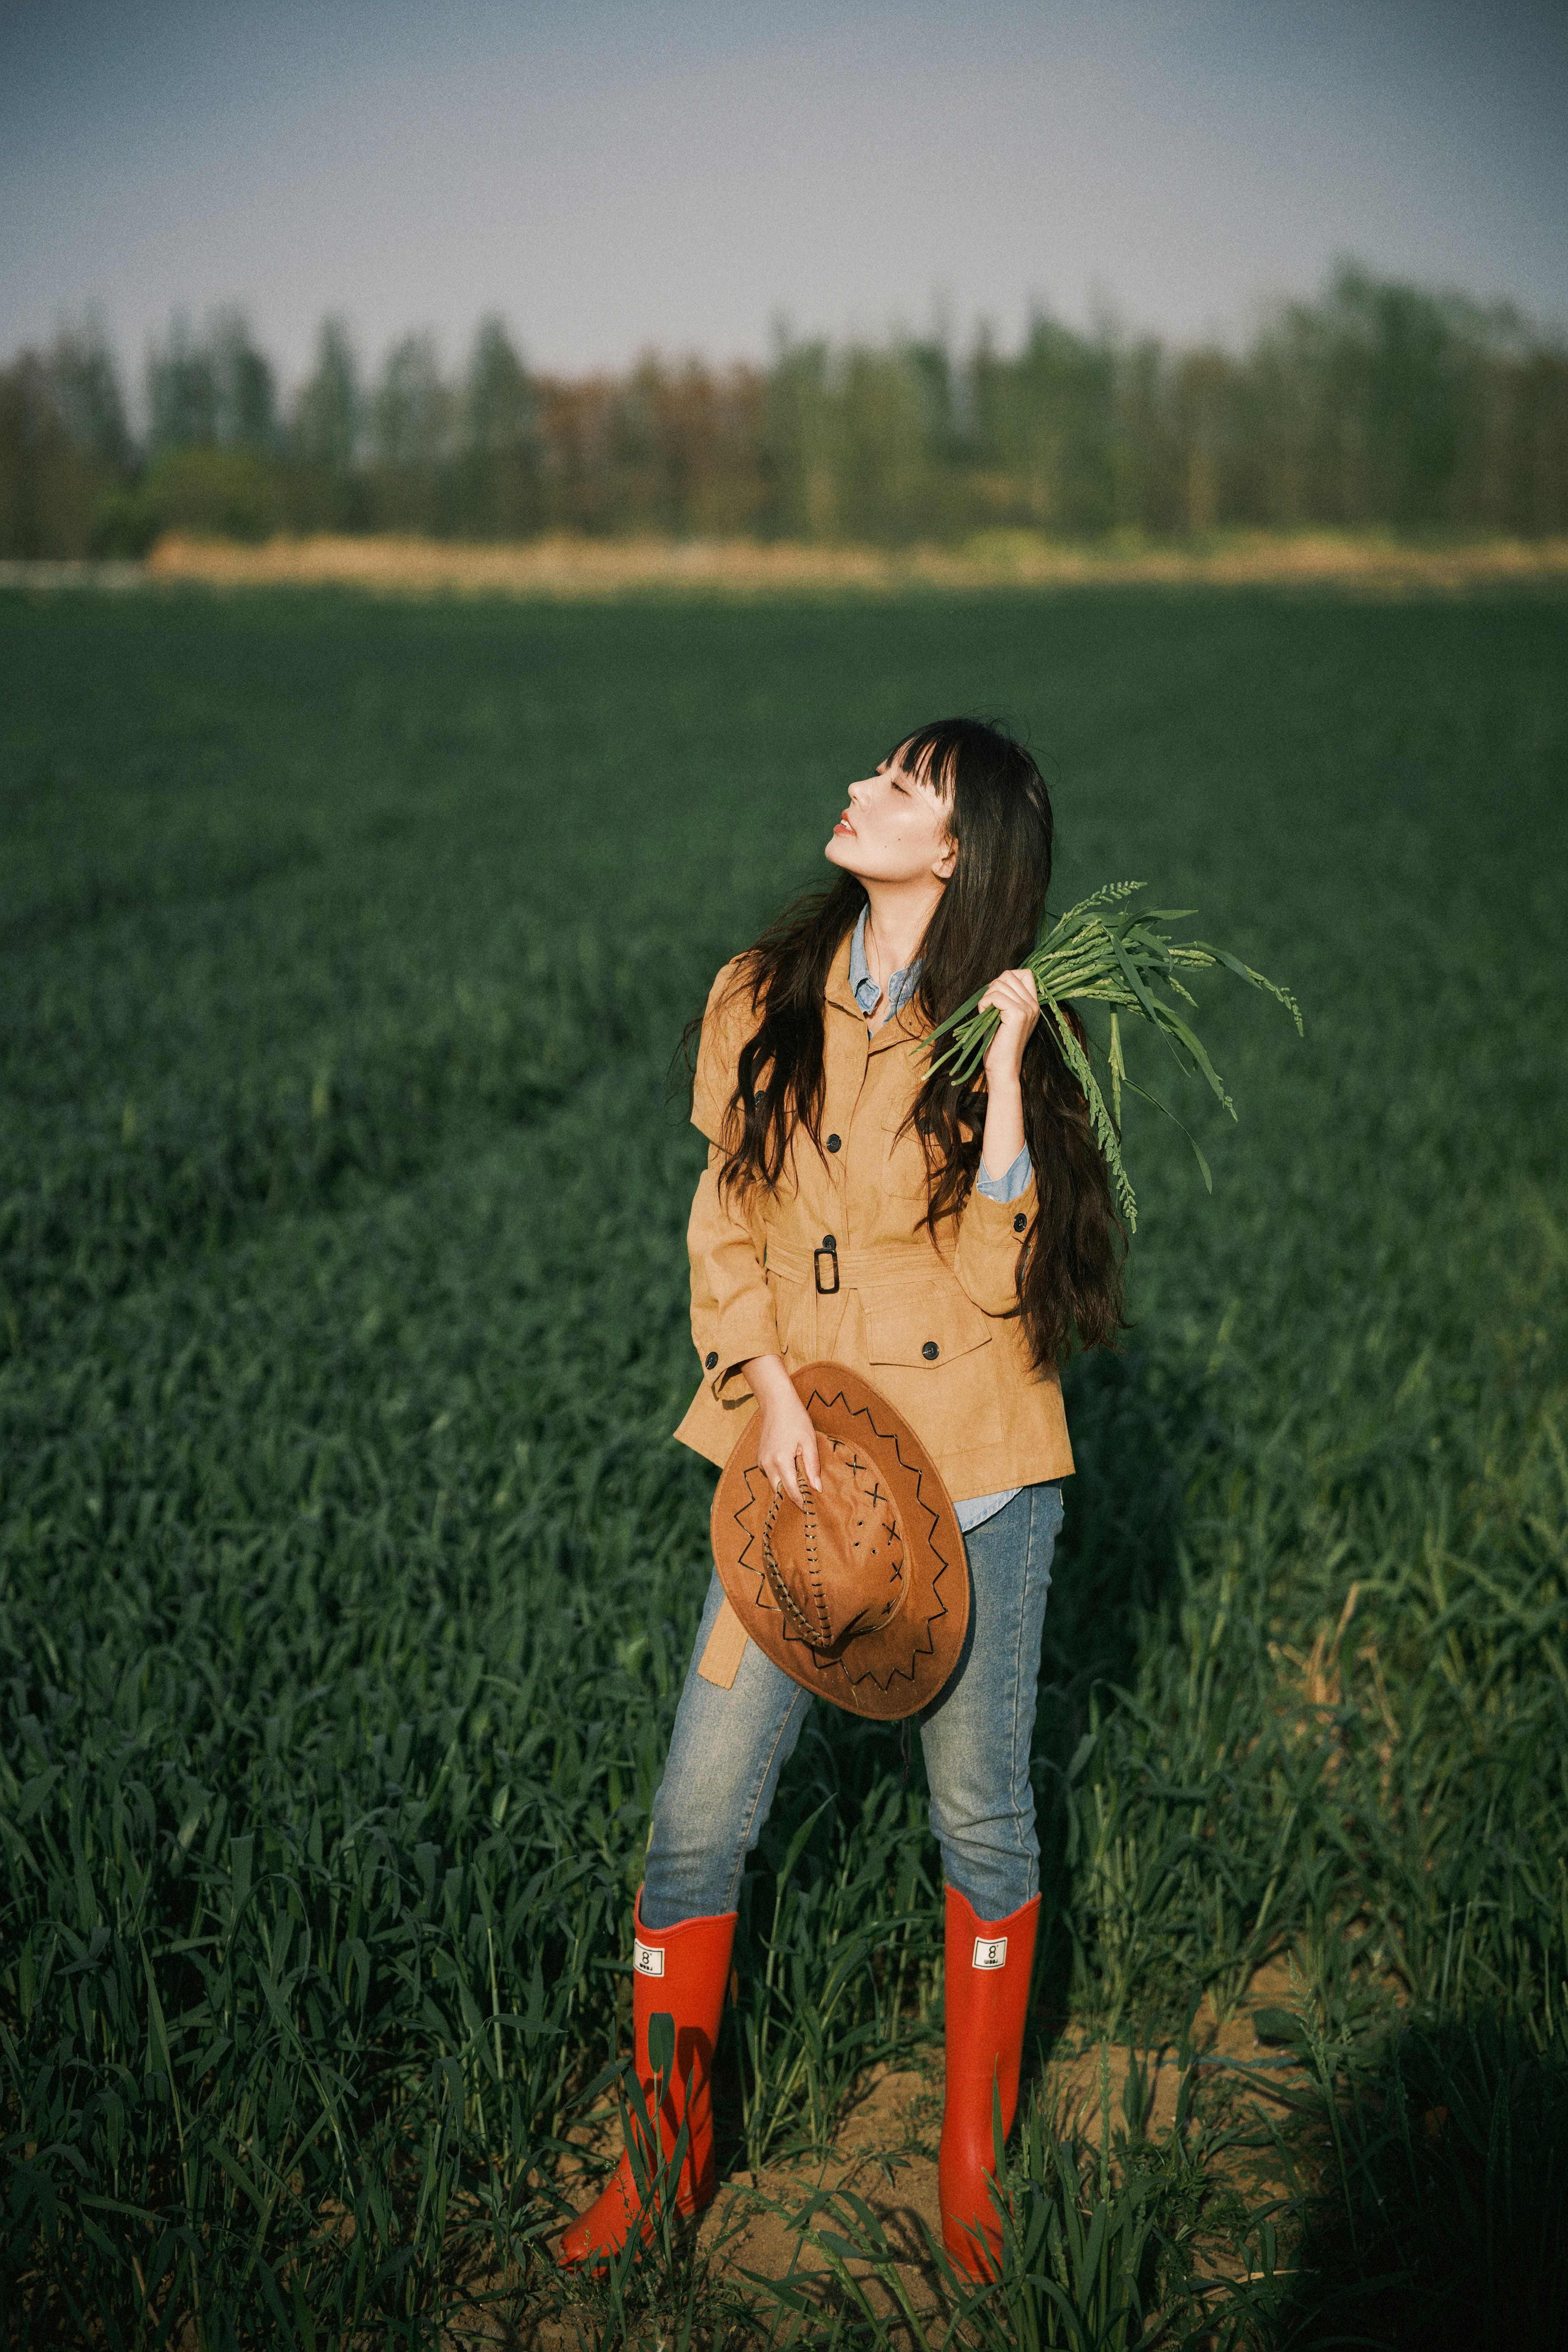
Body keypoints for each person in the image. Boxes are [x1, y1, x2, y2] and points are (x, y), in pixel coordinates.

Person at [559, 717, 1123, 2277]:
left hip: (978, 1480)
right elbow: (723, 1228)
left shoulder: (1011, 1037)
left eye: (902, 788)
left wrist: (1006, 1070)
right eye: (875, 772)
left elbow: (1011, 1289)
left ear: (956, 854)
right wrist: (770, 1392)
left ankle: (968, 2165)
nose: (861, 790)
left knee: (980, 1819)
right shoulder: (761, 994)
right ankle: (663, 2163)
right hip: (793, 1468)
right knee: (692, 1820)